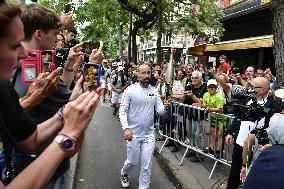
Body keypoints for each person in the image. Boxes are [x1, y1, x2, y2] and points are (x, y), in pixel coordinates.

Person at [0, 3, 100, 188]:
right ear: (39, 34)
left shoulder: (5, 84)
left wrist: (63, 115)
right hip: (42, 173)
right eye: (14, 45)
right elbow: (74, 99)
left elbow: (33, 139)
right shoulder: (35, 69)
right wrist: (93, 67)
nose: (23, 54)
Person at [225, 77, 280, 189]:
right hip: (240, 144)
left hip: (257, 148)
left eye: (252, 87)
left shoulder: (274, 106)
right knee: (235, 174)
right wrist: (230, 131)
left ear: (263, 89)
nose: (249, 89)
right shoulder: (247, 100)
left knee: (252, 176)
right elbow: (237, 117)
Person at [119, 64, 167, 188]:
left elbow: (160, 110)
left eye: (148, 73)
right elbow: (122, 110)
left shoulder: (154, 91)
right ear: (138, 74)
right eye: (143, 73)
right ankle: (124, 173)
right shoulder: (130, 90)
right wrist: (126, 128)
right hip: (133, 134)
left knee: (147, 164)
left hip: (149, 135)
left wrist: (166, 105)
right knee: (132, 161)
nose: (146, 76)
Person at [182, 70, 207, 162]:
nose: (193, 80)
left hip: (199, 116)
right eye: (192, 78)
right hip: (189, 114)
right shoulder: (189, 86)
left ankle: (199, 153)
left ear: (200, 79)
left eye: (196, 78)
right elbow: (182, 100)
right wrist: (184, 95)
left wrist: (192, 96)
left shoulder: (204, 89)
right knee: (191, 134)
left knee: (198, 135)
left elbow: (202, 103)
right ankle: (193, 149)